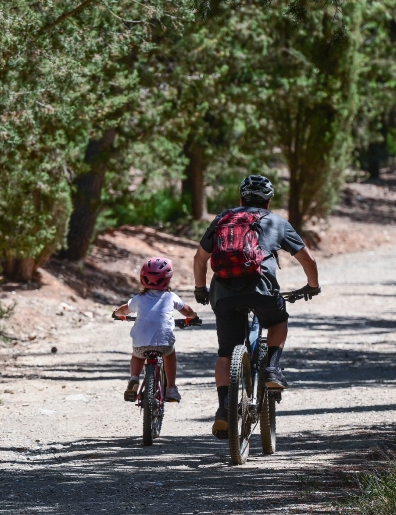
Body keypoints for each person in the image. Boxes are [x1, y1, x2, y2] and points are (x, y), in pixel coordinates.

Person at [192, 174, 320, 439]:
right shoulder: (277, 221)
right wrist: (312, 285)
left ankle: (223, 408)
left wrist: (200, 289)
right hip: (262, 289)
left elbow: (199, 258)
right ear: (269, 202)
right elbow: (308, 260)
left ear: (241, 198)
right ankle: (272, 368)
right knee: (277, 321)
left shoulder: (223, 219)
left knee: (226, 353)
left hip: (224, 293)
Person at [113, 257, 200, 404]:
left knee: (137, 356)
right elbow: (187, 311)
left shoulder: (139, 298)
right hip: (164, 344)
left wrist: (117, 314)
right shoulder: (170, 296)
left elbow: (124, 310)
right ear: (168, 279)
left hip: (141, 344)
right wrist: (193, 317)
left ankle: (134, 378)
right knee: (170, 355)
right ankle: (171, 388)